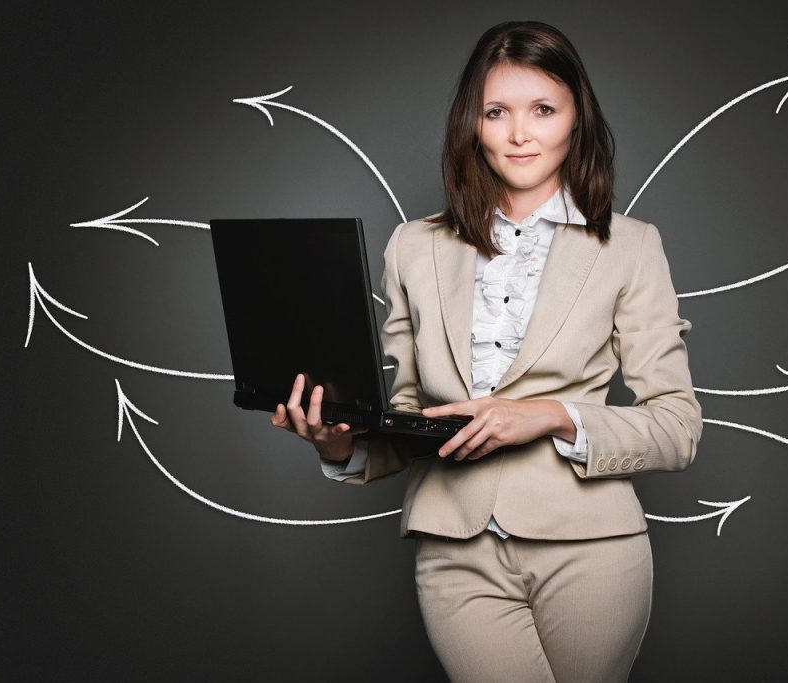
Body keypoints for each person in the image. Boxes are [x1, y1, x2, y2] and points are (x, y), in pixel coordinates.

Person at [270, 20, 702, 683]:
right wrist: (337, 443)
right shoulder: (413, 247)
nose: (519, 133)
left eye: (543, 110)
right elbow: (414, 418)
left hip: (592, 548)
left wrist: (553, 414)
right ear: (472, 124)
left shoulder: (632, 246)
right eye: (496, 112)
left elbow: (677, 427)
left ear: (577, 120)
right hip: (454, 545)